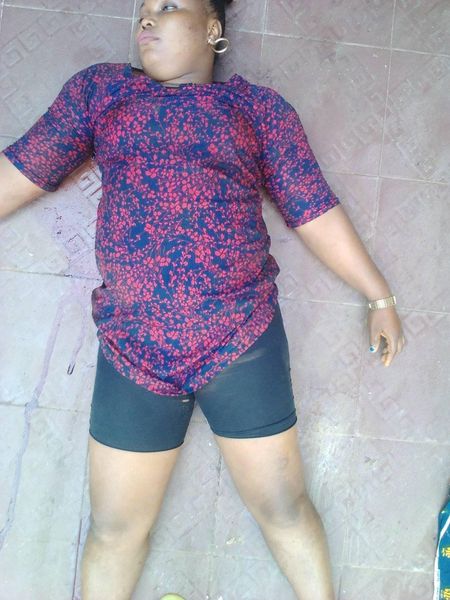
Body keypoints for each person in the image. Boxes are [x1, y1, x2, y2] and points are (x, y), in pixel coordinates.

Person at [0, 1, 407, 599]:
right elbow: (20, 174)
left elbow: (311, 208)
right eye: (143, 9)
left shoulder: (256, 108)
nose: (147, 18)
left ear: (213, 28)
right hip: (133, 346)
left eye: (168, 5)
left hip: (239, 337)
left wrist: (378, 294)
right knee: (114, 531)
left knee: (285, 509)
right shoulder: (101, 92)